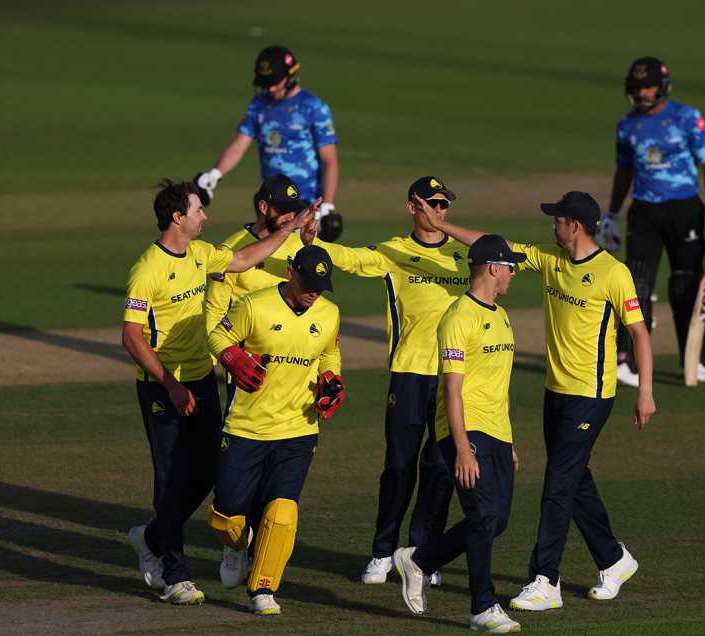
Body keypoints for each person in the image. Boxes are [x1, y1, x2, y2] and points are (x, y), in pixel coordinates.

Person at [414, 191, 656, 611]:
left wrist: (646, 391)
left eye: (557, 218)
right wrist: (443, 228)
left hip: (591, 395)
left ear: (574, 225)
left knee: (557, 485)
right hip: (555, 391)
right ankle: (614, 559)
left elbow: (638, 333)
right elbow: (494, 247)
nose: (552, 224)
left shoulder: (613, 273)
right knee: (574, 478)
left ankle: (546, 578)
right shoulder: (551, 259)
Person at [122, 178, 313, 605]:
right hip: (161, 388)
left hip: (201, 379)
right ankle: (175, 575)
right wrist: (169, 384)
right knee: (170, 479)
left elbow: (244, 259)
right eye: (198, 210)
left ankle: (151, 536)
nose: (205, 217)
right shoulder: (147, 269)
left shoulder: (200, 254)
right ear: (177, 217)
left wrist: (289, 230)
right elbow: (131, 338)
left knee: (213, 471)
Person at [301, 176, 465, 586]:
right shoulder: (395, 251)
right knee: (398, 465)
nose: (439, 211)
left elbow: (504, 257)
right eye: (432, 204)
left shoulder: (464, 253)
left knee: (440, 468)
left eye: (444, 205)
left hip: (453, 378)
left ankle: (423, 556)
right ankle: (382, 552)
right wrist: (312, 244)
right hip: (409, 373)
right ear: (413, 206)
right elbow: (352, 259)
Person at [392, 234, 524, 634]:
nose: (514, 274)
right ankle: (483, 606)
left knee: (495, 521)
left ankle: (419, 560)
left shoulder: (501, 315)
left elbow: (499, 385)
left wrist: (510, 441)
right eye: (510, 267)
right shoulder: (457, 318)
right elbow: (452, 389)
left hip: (497, 432)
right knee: (483, 515)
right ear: (492, 268)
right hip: (465, 431)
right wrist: (462, 449)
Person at [206, 245, 344, 616]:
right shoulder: (254, 305)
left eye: (321, 284)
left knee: (282, 512)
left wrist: (331, 380)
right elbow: (217, 336)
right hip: (246, 427)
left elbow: (329, 353)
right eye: (308, 282)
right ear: (289, 272)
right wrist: (233, 358)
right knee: (226, 515)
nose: (314, 291)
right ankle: (236, 547)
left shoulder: (329, 314)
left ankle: (263, 588)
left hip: (298, 429)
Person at [204, 173, 315, 588]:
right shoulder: (234, 249)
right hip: (249, 375)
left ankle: (260, 554)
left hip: (294, 373)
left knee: (280, 479)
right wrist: (231, 358)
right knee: (241, 475)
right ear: (263, 207)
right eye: (282, 208)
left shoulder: (298, 241)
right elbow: (215, 320)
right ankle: (236, 545)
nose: (289, 215)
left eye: (294, 208)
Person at [599, 56, 705, 387]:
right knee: (636, 287)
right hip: (644, 212)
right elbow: (624, 172)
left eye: (647, 87)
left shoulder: (686, 117)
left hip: (685, 209)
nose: (642, 93)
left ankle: (697, 359)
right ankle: (628, 362)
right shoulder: (627, 125)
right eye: (636, 88)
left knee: (684, 287)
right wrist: (611, 216)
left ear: (662, 87)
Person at [195, 45, 343, 241]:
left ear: (291, 76)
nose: (270, 88)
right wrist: (215, 175)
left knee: (302, 264)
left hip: (305, 202)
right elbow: (240, 144)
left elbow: (329, 160)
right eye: (266, 83)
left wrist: (327, 206)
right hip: (270, 204)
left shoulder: (313, 107)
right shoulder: (259, 104)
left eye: (275, 82)